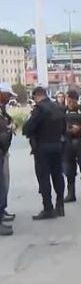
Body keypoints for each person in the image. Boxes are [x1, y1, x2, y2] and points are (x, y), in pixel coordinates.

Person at [22, 87, 66, 220]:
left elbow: (27, 129)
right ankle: (60, 205)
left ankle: (48, 208)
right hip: (57, 146)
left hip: (42, 148)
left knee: (44, 178)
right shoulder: (57, 107)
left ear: (37, 96)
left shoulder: (39, 109)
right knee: (58, 176)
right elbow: (64, 127)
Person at [0, 83, 15, 236]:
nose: (9, 98)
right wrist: (7, 132)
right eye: (7, 95)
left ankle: (2, 211)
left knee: (3, 184)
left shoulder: (3, 110)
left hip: (2, 150)